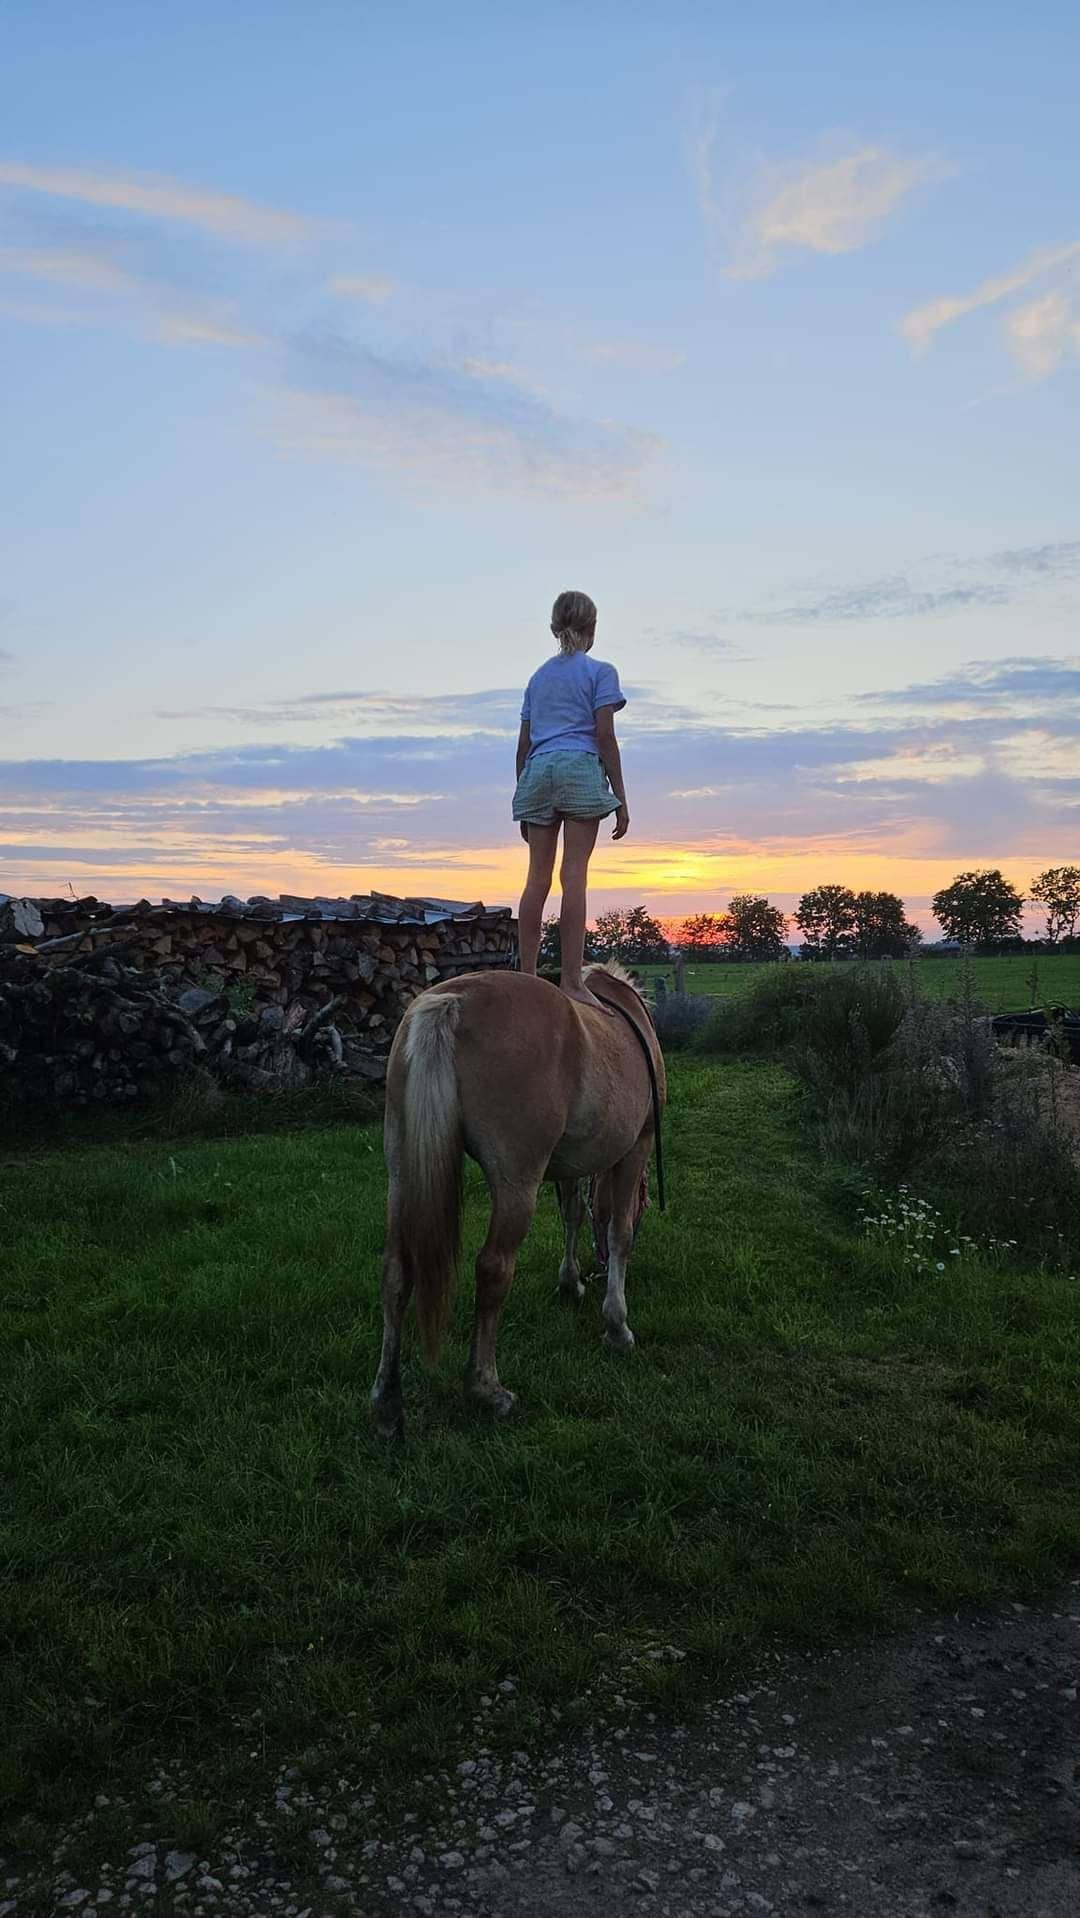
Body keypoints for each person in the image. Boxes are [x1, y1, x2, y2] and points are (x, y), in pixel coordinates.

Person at [513, 589, 629, 1012]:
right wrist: (619, 795)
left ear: (553, 628)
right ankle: (571, 981)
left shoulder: (538, 678)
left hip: (539, 772)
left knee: (536, 880)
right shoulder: (601, 671)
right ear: (592, 629)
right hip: (579, 767)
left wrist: (522, 796)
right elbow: (604, 737)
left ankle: (526, 978)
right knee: (573, 875)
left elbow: (523, 744)